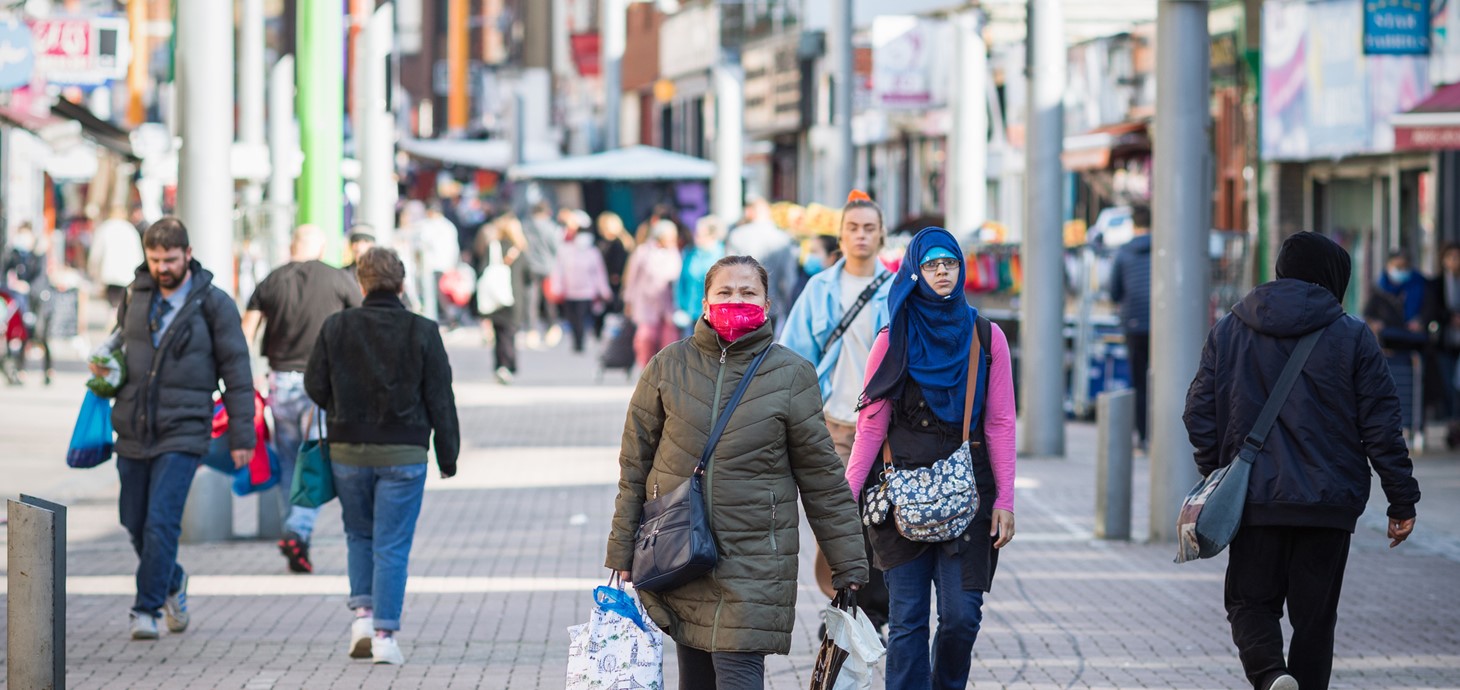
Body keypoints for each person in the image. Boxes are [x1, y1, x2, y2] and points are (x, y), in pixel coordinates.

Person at [606, 254, 869, 689]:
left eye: (748, 292)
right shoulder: (667, 367)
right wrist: (621, 551)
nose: (736, 300)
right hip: (679, 553)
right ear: (705, 302)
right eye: (725, 292)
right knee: (695, 677)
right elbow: (634, 465)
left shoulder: (791, 374)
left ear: (767, 304)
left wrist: (849, 564)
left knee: (739, 674)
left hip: (755, 560)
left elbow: (823, 477)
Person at [1183, 232, 1422, 690]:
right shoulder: (1353, 335)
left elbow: (1198, 412)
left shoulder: (1230, 329)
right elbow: (1382, 427)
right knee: (1315, 621)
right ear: (1333, 278)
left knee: (1250, 603)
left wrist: (1219, 473)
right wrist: (1401, 501)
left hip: (1254, 500)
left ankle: (1271, 675)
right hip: (1327, 504)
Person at [844, 227, 1017, 690]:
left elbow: (1000, 423)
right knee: (908, 623)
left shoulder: (987, 337)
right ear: (915, 272)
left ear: (961, 268)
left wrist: (1006, 501)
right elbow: (870, 428)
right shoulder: (892, 338)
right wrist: (843, 502)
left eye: (951, 263)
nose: (942, 272)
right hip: (901, 496)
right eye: (931, 264)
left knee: (961, 618)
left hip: (969, 495)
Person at [89, 217, 256, 641]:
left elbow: (238, 372)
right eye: (154, 259)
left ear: (188, 254)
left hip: (185, 428)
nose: (162, 267)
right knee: (134, 519)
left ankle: (145, 610)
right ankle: (174, 581)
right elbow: (117, 341)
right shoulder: (136, 294)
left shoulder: (214, 304)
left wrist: (243, 437)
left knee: (162, 521)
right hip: (132, 425)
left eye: (170, 259)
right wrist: (101, 360)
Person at [304, 247, 459, 665]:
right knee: (392, 544)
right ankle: (385, 636)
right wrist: (448, 456)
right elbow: (440, 397)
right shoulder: (423, 330)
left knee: (358, 534)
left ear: (361, 282)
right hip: (404, 451)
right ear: (403, 284)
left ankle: (362, 616)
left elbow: (315, 385)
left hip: (347, 449)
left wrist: (342, 404)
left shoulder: (337, 326)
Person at [780, 190, 896, 630]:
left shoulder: (897, 288)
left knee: (879, 516)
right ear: (841, 236)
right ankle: (842, 598)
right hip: (833, 423)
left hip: (884, 424)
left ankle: (873, 612)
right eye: (853, 228)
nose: (861, 235)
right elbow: (794, 355)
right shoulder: (820, 288)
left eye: (869, 227)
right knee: (837, 517)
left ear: (881, 234)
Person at [242, 224, 363, 573]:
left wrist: (248, 377)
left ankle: (295, 534)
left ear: (291, 246)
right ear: (322, 249)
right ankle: (298, 530)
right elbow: (359, 325)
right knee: (314, 461)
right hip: (322, 386)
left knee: (289, 463)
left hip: (279, 382)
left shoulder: (271, 280)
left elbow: (245, 333)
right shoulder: (340, 281)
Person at [1109, 204, 1152, 448]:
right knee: (1166, 379)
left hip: (1134, 324)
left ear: (1133, 225)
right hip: (1162, 326)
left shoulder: (1124, 252)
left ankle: (1143, 436)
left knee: (1138, 380)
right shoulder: (1164, 249)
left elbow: (1114, 291)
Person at [622, 220, 683, 367]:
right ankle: (646, 372)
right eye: (669, 237)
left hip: (668, 304)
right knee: (646, 339)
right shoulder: (642, 252)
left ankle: (667, 374)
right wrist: (628, 301)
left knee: (670, 341)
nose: (672, 240)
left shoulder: (675, 252)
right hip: (646, 304)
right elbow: (631, 279)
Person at [551, 213, 613, 354]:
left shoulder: (593, 252)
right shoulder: (565, 250)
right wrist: (557, 287)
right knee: (572, 318)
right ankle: (577, 340)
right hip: (570, 291)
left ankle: (581, 342)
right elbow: (559, 270)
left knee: (581, 317)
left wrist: (604, 290)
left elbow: (599, 273)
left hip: (587, 292)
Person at [475, 216, 524, 383]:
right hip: (513, 297)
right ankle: (508, 365)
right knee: (510, 334)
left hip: (495, 297)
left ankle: (501, 365)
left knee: (499, 335)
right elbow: (529, 274)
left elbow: (481, 270)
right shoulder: (518, 250)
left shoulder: (492, 247)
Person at [521, 200, 564, 349]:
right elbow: (556, 247)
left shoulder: (525, 226)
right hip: (547, 267)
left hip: (530, 266)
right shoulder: (551, 228)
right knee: (548, 299)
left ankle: (532, 331)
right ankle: (552, 327)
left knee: (531, 299)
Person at [674, 216, 726, 336]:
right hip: (690, 316)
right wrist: (680, 306)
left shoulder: (723, 256)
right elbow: (681, 282)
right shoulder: (689, 253)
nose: (695, 236)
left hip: (714, 319)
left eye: (699, 234)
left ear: (713, 236)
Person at [1428, 244, 1460, 434]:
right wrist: (1450, 318)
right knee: (1448, 385)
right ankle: (1453, 423)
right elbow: (1432, 310)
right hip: (1444, 343)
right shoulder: (1436, 284)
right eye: (1452, 257)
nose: (1455, 261)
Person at [88, 209, 145, 309]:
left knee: (113, 306)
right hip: (127, 276)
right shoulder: (130, 229)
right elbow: (138, 256)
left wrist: (93, 272)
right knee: (121, 305)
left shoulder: (105, 228)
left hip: (110, 275)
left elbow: (96, 254)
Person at [414, 201, 461, 322]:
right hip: (439, 264)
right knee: (437, 293)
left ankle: (450, 316)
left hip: (436, 264)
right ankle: (448, 316)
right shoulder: (446, 226)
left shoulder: (437, 226)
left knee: (438, 293)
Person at [595, 211, 636, 337]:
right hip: (609, 281)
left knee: (614, 311)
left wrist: (615, 276)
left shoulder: (619, 243)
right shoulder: (617, 241)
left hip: (615, 282)